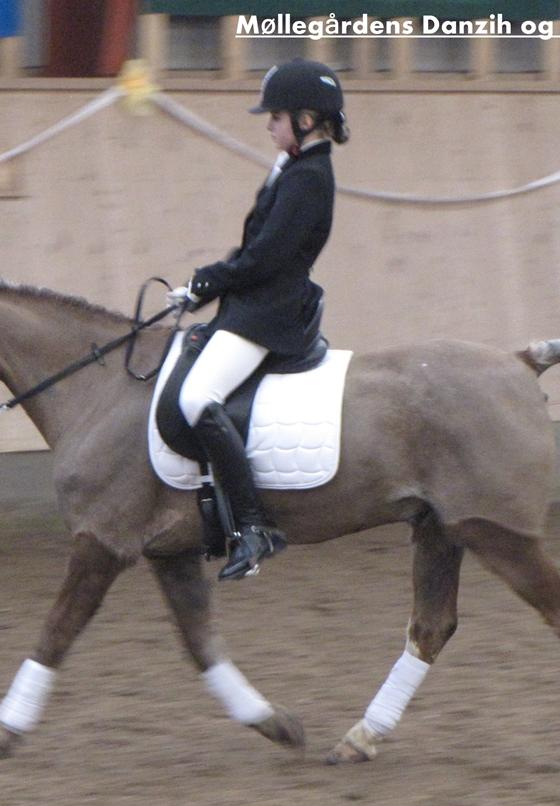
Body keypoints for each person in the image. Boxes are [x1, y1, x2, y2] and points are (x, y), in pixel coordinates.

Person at [167, 58, 350, 581]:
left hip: (270, 316)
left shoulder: (310, 178)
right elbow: (254, 250)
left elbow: (265, 258)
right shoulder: (292, 167)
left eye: (276, 116)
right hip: (253, 306)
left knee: (198, 398)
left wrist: (209, 280)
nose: (268, 125)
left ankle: (252, 527)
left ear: (308, 119)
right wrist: (207, 291)